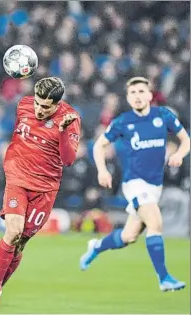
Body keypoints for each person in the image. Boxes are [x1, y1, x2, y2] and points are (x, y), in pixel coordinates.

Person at [0, 77, 81, 315]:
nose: (38, 109)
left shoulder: (70, 119)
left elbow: (68, 160)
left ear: (58, 104)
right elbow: (19, 137)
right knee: (13, 231)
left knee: (19, 244)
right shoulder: (24, 105)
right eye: (37, 103)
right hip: (17, 177)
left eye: (45, 107)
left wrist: (63, 131)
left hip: (45, 187)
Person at [80, 77, 189, 291]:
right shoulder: (123, 121)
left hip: (155, 186)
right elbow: (99, 146)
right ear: (128, 98)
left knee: (128, 236)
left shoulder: (163, 116)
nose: (138, 96)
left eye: (141, 91)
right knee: (155, 222)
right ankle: (164, 278)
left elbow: (186, 140)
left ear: (150, 95)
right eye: (133, 93)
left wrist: (179, 154)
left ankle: (96, 246)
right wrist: (102, 170)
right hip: (135, 184)